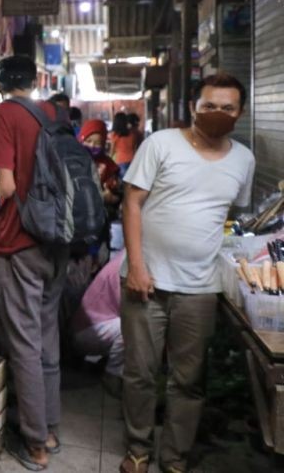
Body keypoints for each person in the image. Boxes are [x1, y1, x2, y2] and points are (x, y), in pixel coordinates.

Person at [119, 73, 255, 473]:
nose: (217, 113)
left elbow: (228, 216)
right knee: (140, 373)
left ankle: (174, 458)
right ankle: (138, 450)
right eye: (209, 105)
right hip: (147, 280)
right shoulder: (161, 144)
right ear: (193, 107)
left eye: (227, 108)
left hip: (201, 287)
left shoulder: (244, 160)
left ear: (240, 113)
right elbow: (131, 204)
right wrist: (137, 267)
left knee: (189, 380)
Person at [0, 55, 65, 471]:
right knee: (46, 337)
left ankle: (35, 445)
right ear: (35, 83)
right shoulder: (52, 112)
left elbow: (8, 186)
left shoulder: (2, 115)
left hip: (20, 242)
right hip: (58, 243)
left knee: (24, 344)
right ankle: (49, 427)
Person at [70, 250, 124, 397]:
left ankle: (108, 363)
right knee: (132, 327)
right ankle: (112, 375)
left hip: (91, 326)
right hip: (87, 331)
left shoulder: (126, 255)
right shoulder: (128, 264)